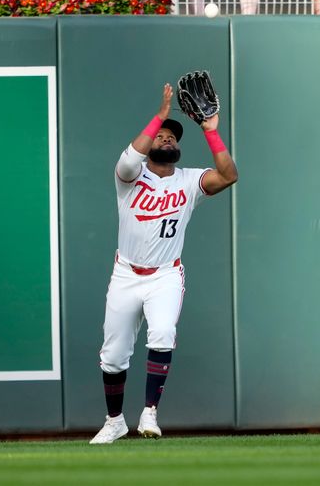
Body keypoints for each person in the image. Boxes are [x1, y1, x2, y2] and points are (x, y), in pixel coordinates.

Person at [89, 83, 238, 444]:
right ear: (149, 143)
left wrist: (211, 132)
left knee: (163, 333)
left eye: (173, 136)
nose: (168, 139)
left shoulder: (188, 181)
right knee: (113, 355)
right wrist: (159, 117)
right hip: (126, 274)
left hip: (166, 275)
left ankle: (150, 413)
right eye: (162, 136)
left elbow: (228, 175)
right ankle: (114, 422)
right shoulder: (129, 179)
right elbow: (127, 160)